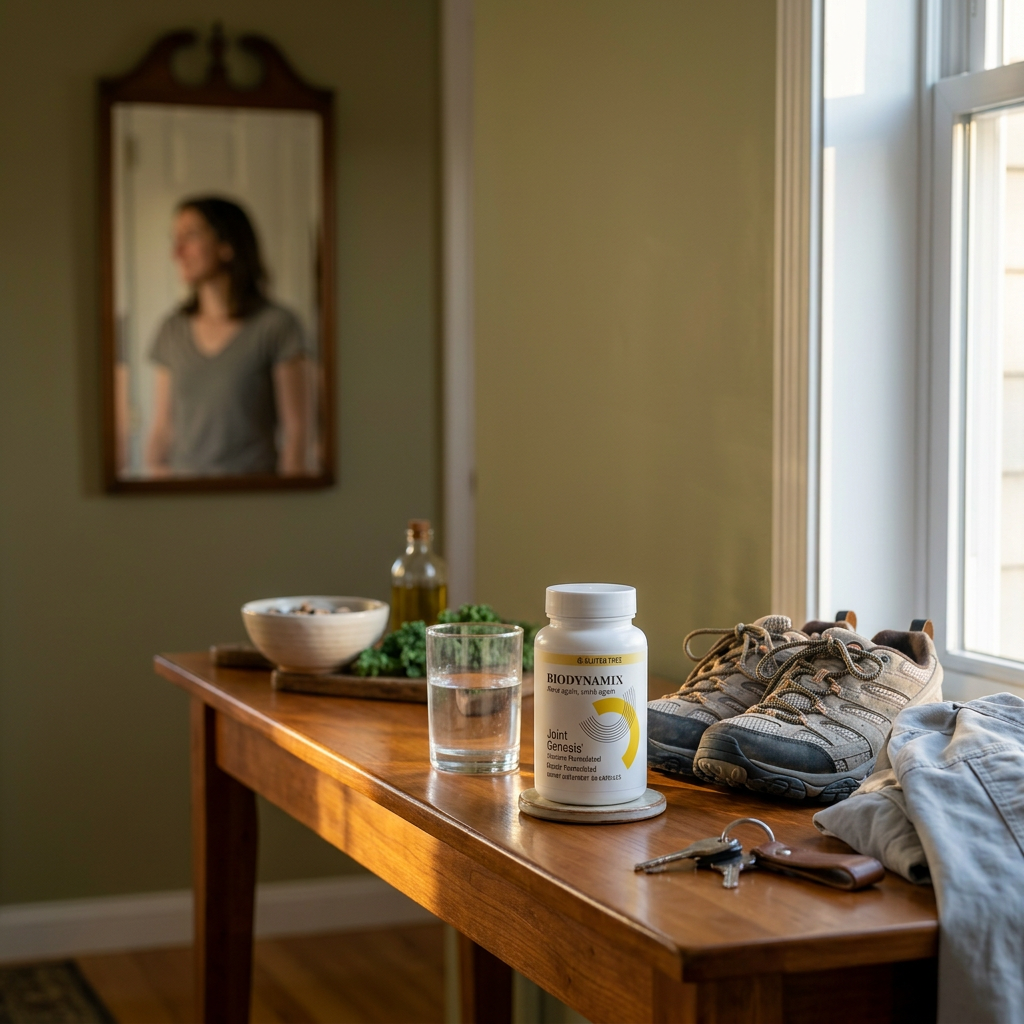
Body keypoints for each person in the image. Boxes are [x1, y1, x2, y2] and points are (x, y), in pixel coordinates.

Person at [145, 197, 308, 477]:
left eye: (191, 235)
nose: (178, 251)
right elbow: (163, 429)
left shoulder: (277, 326)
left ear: (226, 245)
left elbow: (296, 432)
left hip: (255, 496)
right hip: (184, 499)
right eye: (176, 238)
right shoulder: (171, 330)